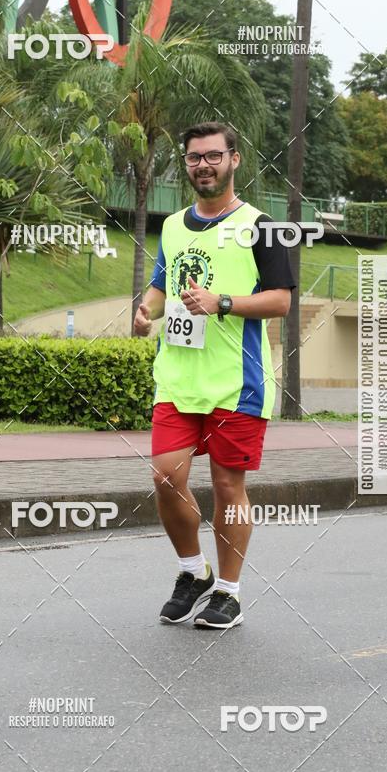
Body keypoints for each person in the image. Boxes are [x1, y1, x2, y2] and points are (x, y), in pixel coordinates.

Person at [133, 121, 296, 629]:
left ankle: (228, 591)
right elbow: (161, 285)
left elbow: (281, 301)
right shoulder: (175, 225)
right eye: (194, 158)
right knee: (165, 475)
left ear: (234, 160)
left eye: (213, 156)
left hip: (237, 382)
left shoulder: (262, 227)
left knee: (228, 486)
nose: (203, 165)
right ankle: (192, 571)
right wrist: (145, 310)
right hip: (179, 377)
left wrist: (221, 303)